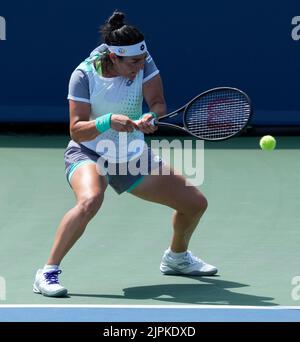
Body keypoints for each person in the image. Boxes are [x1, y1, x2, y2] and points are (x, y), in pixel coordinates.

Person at [33, 10, 217, 297]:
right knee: (91, 199)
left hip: (130, 153)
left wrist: (151, 118)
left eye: (142, 61)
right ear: (114, 58)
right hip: (88, 151)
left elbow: (157, 103)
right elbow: (77, 131)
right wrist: (107, 121)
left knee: (195, 204)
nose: (139, 67)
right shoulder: (83, 75)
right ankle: (47, 272)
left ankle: (177, 258)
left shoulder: (143, 61)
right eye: (133, 63)